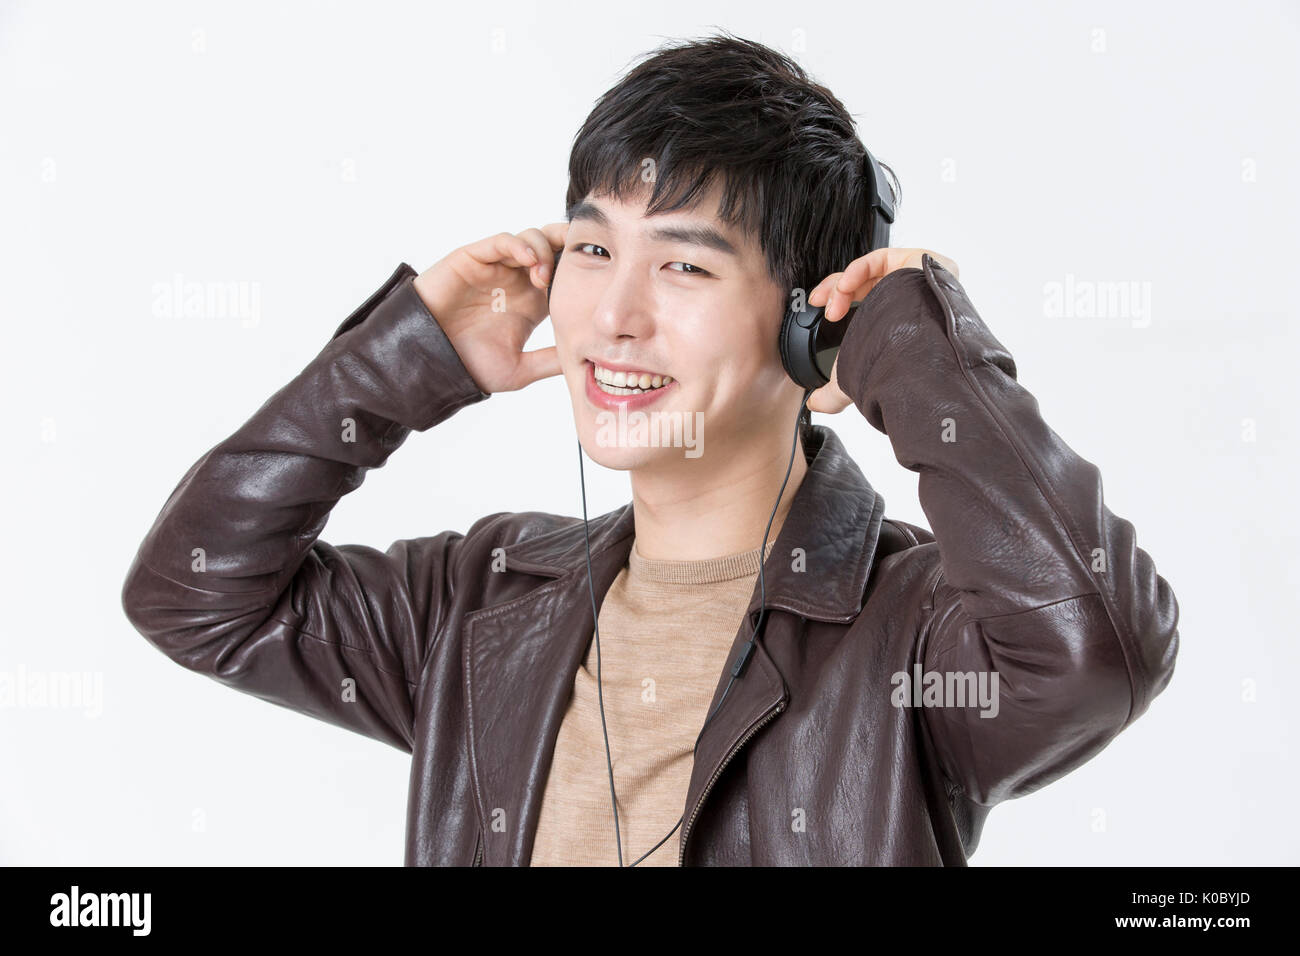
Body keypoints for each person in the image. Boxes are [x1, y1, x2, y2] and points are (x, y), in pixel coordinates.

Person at [121, 31, 1179, 866]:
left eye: (683, 267)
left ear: (811, 327)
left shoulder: (913, 637)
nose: (611, 315)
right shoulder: (483, 603)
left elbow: (1097, 650)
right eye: (590, 247)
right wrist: (401, 358)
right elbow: (197, 594)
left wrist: (918, 347)